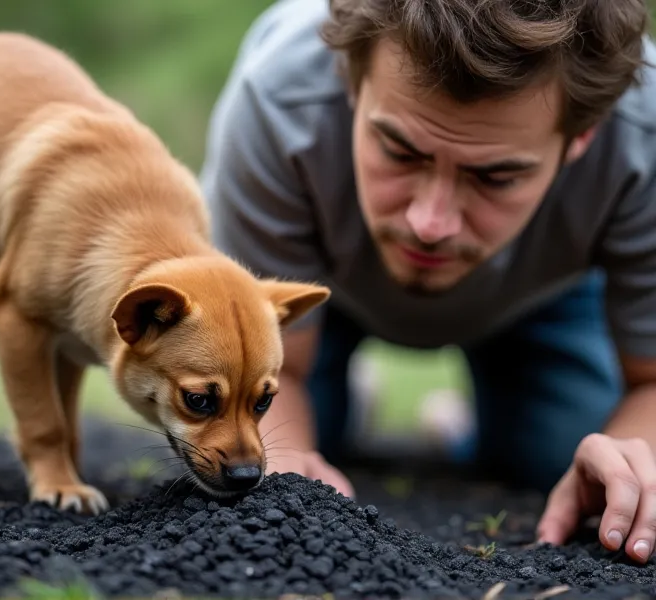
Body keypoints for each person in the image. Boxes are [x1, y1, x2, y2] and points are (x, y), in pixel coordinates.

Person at [199, 0, 656, 564]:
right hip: (315, 289)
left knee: (567, 454)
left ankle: (461, 419)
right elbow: (279, 370)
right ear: (351, 85)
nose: (429, 224)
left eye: (496, 175)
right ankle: (347, 392)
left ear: (581, 138)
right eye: (399, 150)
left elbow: (652, 382)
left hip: (540, 298)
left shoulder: (644, 135)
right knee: (289, 443)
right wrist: (292, 452)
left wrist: (636, 455)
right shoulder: (277, 98)